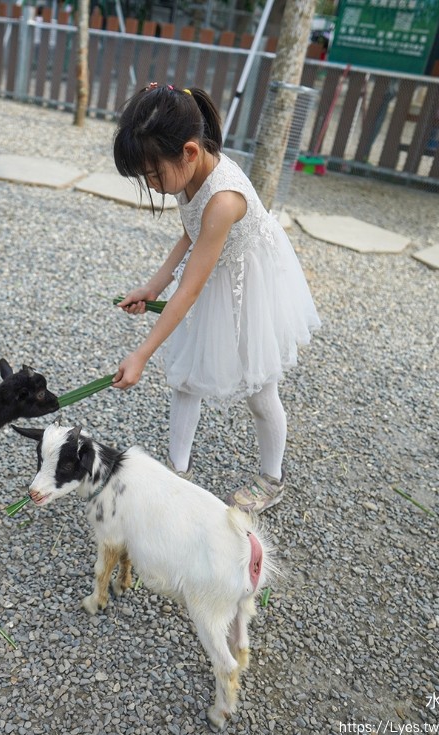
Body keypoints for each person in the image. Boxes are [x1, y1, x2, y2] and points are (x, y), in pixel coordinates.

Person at [111, 83, 320, 513]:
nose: (152, 184)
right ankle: (176, 473)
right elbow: (191, 231)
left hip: (249, 285)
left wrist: (142, 354)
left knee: (260, 389)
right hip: (212, 269)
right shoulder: (187, 170)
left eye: (153, 175)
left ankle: (272, 478)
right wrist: (154, 285)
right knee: (186, 377)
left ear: (189, 152)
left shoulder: (224, 200)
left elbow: (190, 288)